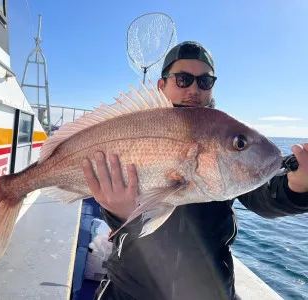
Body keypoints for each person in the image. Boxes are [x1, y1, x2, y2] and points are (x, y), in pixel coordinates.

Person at [82, 41, 308, 300]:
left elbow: (263, 194)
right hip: (132, 290)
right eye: (183, 79)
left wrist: (297, 187)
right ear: (161, 85)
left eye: (204, 81)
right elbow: (114, 208)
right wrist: (121, 216)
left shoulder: (222, 137)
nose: (193, 89)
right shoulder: (130, 128)